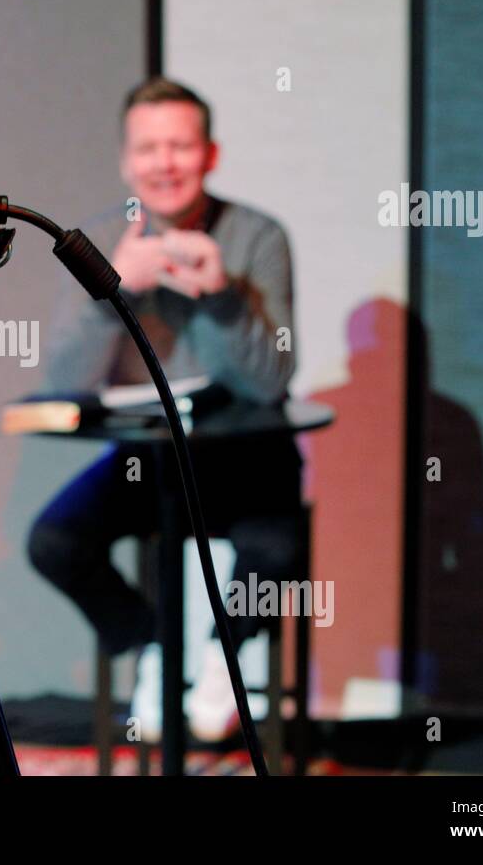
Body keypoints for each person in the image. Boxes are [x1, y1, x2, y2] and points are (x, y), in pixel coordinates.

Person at [27, 77, 305, 741]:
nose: (165, 163)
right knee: (56, 541)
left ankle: (224, 654)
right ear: (127, 162)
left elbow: (268, 384)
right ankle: (156, 650)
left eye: (181, 146)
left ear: (210, 155)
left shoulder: (258, 236)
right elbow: (65, 382)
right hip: (147, 460)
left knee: (276, 551)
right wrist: (111, 294)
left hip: (249, 456)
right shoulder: (94, 240)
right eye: (149, 148)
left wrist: (218, 297)